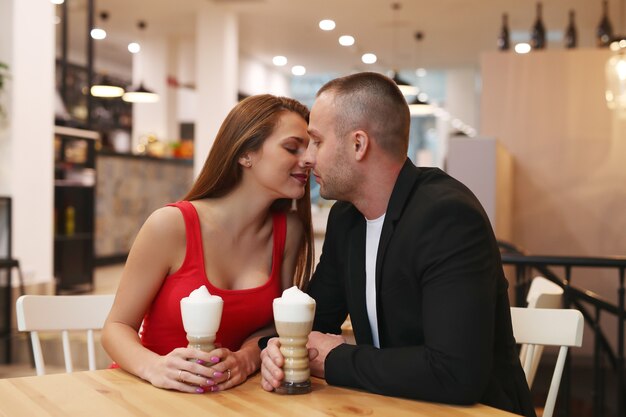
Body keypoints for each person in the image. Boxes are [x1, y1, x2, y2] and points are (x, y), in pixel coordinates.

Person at [260, 72, 536, 417]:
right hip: (390, 405)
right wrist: (277, 347)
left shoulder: (447, 217)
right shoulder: (346, 218)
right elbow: (316, 319)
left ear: (358, 144)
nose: (308, 158)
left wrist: (334, 358)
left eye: (316, 141)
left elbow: (454, 373)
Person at [102, 94, 314, 394]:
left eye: (310, 148)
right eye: (293, 147)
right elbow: (116, 328)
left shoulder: (288, 231)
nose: (308, 159)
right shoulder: (170, 225)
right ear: (245, 154)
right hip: (150, 393)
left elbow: (272, 327)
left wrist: (246, 359)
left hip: (229, 398)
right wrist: (155, 368)